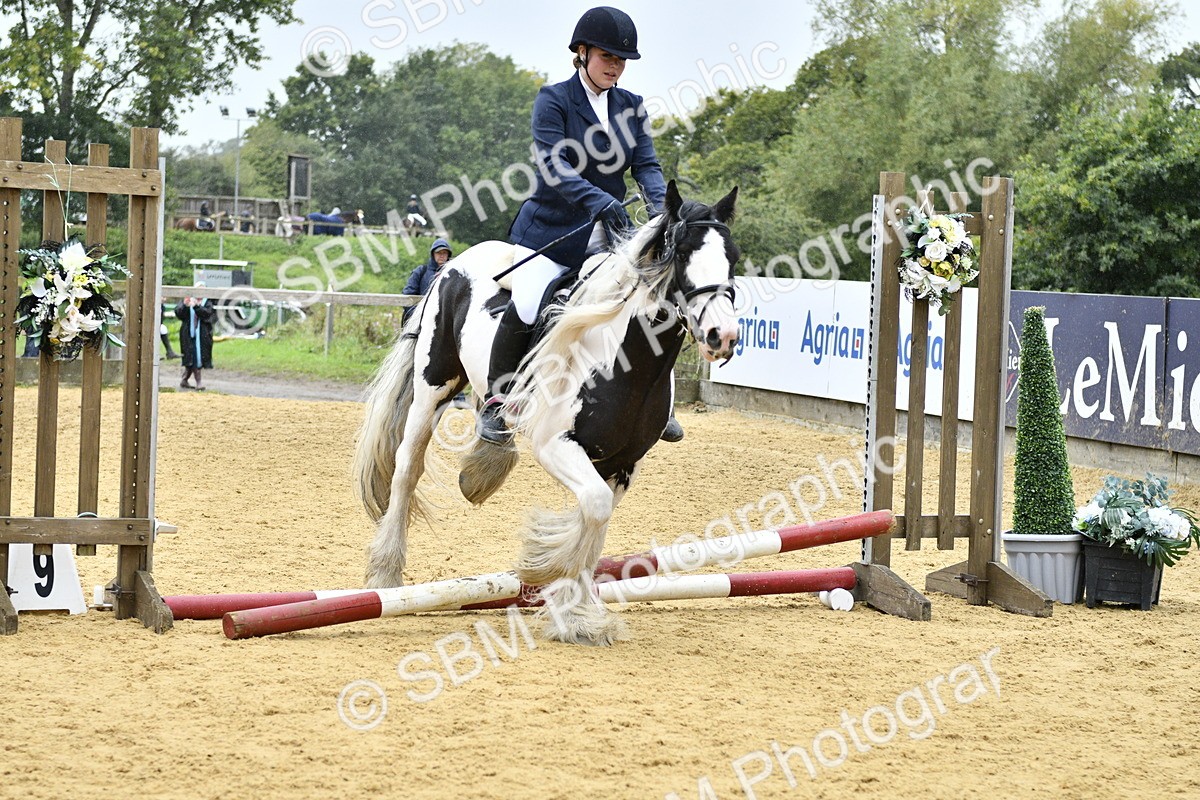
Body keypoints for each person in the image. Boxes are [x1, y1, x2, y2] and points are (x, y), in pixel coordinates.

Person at [477, 5, 683, 445]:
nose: (616, 66)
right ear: (583, 52)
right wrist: (600, 201)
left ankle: (653, 401)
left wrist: (661, 210)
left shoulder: (631, 106)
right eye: (608, 57)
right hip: (552, 233)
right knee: (529, 303)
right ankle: (497, 402)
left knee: (646, 300)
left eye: (622, 60)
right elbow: (555, 167)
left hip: (610, 236)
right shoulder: (554, 99)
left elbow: (646, 166)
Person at [403, 239, 469, 408]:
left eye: (445, 253)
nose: (442, 256)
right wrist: (419, 319)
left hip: (445, 326)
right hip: (422, 325)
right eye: (439, 253)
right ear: (433, 254)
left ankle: (457, 394)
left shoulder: (454, 276)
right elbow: (408, 295)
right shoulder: (421, 272)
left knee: (452, 358)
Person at [175, 283, 216, 390]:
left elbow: (207, 314)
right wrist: (185, 305)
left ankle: (185, 380)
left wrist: (196, 307)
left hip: (202, 336)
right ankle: (198, 382)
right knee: (191, 358)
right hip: (188, 335)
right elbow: (179, 314)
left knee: (197, 358)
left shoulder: (208, 302)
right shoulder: (187, 299)